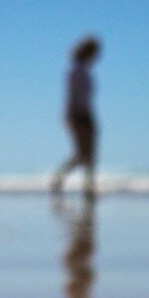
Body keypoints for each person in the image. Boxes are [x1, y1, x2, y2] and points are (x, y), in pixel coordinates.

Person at [51, 35, 102, 196]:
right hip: (77, 115)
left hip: (87, 114)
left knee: (90, 155)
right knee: (82, 154)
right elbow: (72, 96)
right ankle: (59, 178)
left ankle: (89, 187)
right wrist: (70, 117)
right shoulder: (75, 72)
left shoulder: (86, 72)